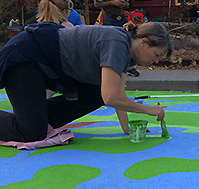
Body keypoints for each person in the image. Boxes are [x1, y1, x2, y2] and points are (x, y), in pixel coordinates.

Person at [0, 22, 171, 143]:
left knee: (97, 93)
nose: (156, 62)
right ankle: (31, 121)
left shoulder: (127, 54)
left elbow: (117, 93)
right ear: (143, 42)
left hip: (49, 66)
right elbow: (111, 97)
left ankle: (34, 117)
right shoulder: (117, 42)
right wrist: (149, 110)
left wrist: (127, 128)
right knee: (32, 133)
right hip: (25, 59)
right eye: (156, 55)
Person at [94, 0, 140, 77]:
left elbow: (128, 3)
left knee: (128, 39)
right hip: (109, 18)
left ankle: (129, 66)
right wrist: (112, 3)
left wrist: (124, 4)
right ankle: (108, 68)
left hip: (121, 17)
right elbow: (96, 3)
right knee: (110, 43)